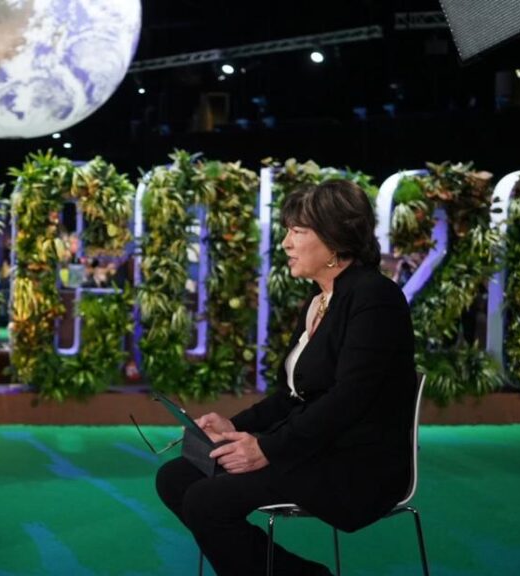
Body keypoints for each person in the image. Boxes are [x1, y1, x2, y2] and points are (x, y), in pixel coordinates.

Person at [154, 179, 418, 576]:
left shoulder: (375, 298)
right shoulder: (319, 301)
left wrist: (268, 449)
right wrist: (234, 427)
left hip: (355, 464)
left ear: (334, 238)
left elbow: (349, 399)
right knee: (176, 476)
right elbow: (292, 396)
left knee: (206, 501)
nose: (285, 243)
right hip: (312, 447)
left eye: (297, 231)